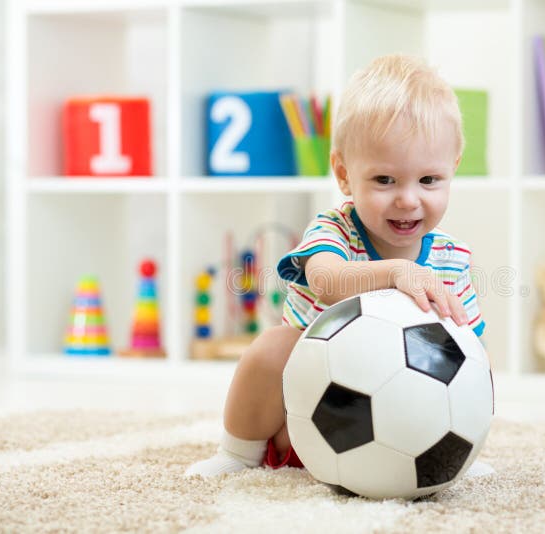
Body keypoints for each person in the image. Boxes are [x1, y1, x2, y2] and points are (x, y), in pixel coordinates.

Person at [186, 54, 486, 477]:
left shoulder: (452, 259)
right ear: (344, 175)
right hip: (301, 422)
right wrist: (395, 273)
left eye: (428, 180)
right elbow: (326, 280)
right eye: (385, 180)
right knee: (274, 345)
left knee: (477, 363)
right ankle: (238, 453)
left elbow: (468, 352)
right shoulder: (335, 230)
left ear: (452, 171)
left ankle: (451, 453)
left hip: (401, 432)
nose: (408, 199)